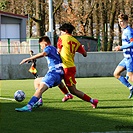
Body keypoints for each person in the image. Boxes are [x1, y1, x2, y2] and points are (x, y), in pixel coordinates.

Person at [15, 36, 72, 112]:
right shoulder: (54, 49)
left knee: (40, 89)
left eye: (41, 45)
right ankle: (67, 94)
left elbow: (44, 53)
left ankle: (29, 106)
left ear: (45, 44)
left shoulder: (48, 48)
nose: (41, 47)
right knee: (37, 81)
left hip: (53, 74)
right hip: (59, 75)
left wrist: (29, 58)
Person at [57, 23, 98, 108]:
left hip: (67, 67)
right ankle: (67, 94)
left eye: (61, 31)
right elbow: (85, 54)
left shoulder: (62, 38)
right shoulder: (76, 41)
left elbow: (58, 51)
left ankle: (93, 101)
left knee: (73, 91)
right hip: (68, 66)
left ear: (65, 31)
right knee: (56, 81)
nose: (60, 33)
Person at [114, 13, 133, 99]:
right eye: (119, 22)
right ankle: (131, 87)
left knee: (131, 76)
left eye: (122, 21)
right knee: (116, 73)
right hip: (126, 58)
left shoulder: (129, 31)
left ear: (126, 21)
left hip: (130, 57)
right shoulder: (125, 30)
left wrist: (121, 47)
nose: (120, 23)